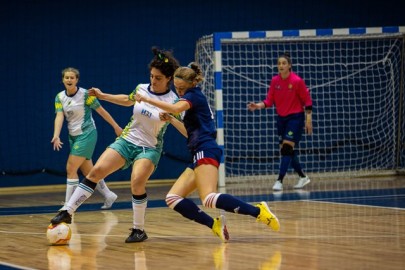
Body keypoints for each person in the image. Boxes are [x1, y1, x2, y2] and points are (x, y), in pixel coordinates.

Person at [50, 48, 222, 243]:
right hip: (127, 140)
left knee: (137, 180)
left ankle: (138, 230)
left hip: (150, 148)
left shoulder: (174, 101)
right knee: (96, 171)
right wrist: (103, 95)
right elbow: (127, 99)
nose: (153, 81)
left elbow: (187, 132)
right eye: (151, 76)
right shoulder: (141, 88)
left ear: (168, 79)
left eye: (158, 78)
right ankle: (67, 211)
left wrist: (172, 121)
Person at [135, 62, 281, 242]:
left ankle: (258, 211)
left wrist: (147, 99)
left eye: (182, 88)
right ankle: (214, 224)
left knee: (209, 198)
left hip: (206, 148)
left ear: (191, 84)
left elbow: (174, 108)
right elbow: (188, 132)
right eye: (177, 88)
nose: (179, 92)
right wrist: (172, 121)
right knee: (173, 198)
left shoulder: (194, 96)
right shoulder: (189, 99)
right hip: (197, 151)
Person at [51, 67, 121, 210]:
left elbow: (101, 111)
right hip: (73, 136)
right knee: (89, 172)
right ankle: (108, 195)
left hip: (87, 134)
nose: (69, 80)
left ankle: (68, 205)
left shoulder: (85, 95)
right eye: (66, 77)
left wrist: (115, 126)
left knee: (71, 168)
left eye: (72, 78)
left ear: (77, 80)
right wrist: (56, 135)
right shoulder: (59, 97)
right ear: (62, 80)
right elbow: (59, 116)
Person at [247, 52, 313, 191]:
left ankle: (279, 180)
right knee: (287, 151)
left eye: (284, 63)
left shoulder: (297, 81)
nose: (281, 66)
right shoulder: (274, 81)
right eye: (279, 63)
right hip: (281, 119)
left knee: (287, 148)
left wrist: (308, 119)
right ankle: (302, 177)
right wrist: (258, 106)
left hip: (295, 117)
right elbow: (269, 101)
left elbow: (307, 101)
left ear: (289, 65)